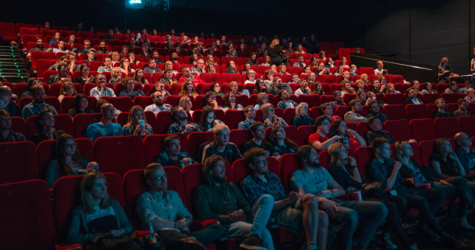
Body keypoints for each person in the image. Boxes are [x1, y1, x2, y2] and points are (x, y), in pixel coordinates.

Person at [366, 138, 466, 249]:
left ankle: (423, 226)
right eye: (386, 149)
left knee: (439, 193)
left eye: (390, 149)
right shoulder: (373, 165)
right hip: (393, 193)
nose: (390, 151)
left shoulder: (389, 161)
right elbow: (388, 186)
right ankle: (444, 235)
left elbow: (400, 180)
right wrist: (395, 169)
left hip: (404, 189)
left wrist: (409, 181)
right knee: (421, 200)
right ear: (378, 150)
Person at [327, 143, 418, 250]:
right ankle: (405, 242)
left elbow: (362, 181)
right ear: (336, 153)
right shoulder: (335, 168)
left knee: (400, 200)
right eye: (343, 151)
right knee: (391, 205)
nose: (347, 152)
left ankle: (385, 234)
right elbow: (357, 183)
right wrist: (355, 166)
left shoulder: (347, 165)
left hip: (366, 192)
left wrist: (362, 183)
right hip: (358, 197)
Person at [240, 147, 329, 250]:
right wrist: (289, 200)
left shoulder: (272, 176)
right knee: (321, 217)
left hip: (288, 206)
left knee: (311, 198)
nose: (266, 163)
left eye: (266, 160)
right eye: (261, 161)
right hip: (277, 214)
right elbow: (263, 209)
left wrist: (292, 197)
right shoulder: (248, 182)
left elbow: (283, 196)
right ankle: (311, 247)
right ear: (251, 165)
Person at [193, 155, 275, 250]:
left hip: (244, 217)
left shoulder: (230, 186)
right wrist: (230, 218)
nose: (224, 169)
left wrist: (241, 211)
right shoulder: (201, 190)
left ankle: (254, 235)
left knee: (267, 198)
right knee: (264, 232)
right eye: (220, 166)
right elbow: (205, 215)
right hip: (227, 225)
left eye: (224, 166)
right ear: (210, 170)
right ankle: (254, 234)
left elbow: (247, 206)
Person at [137, 163, 224, 250]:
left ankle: (191, 240)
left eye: (164, 175)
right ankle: (192, 242)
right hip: (163, 235)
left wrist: (184, 222)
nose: (164, 180)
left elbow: (188, 216)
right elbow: (151, 222)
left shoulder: (173, 195)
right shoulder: (145, 198)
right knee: (192, 244)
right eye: (159, 178)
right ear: (149, 182)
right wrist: (176, 225)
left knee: (217, 227)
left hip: (181, 234)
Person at [396, 141, 475, 230]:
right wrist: (436, 183)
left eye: (411, 147)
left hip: (432, 184)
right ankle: (467, 215)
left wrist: (440, 181)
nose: (411, 149)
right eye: (407, 148)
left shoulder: (413, 162)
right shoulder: (400, 166)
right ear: (401, 152)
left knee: (463, 185)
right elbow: (410, 182)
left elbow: (427, 176)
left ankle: (466, 218)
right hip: (425, 188)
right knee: (462, 184)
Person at [67, 172, 134, 246]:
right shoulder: (79, 212)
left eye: (104, 184)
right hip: (100, 245)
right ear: (89, 189)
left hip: (120, 241)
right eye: (99, 185)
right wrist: (101, 235)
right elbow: (71, 237)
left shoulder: (114, 204)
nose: (104, 188)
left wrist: (121, 231)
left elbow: (129, 226)